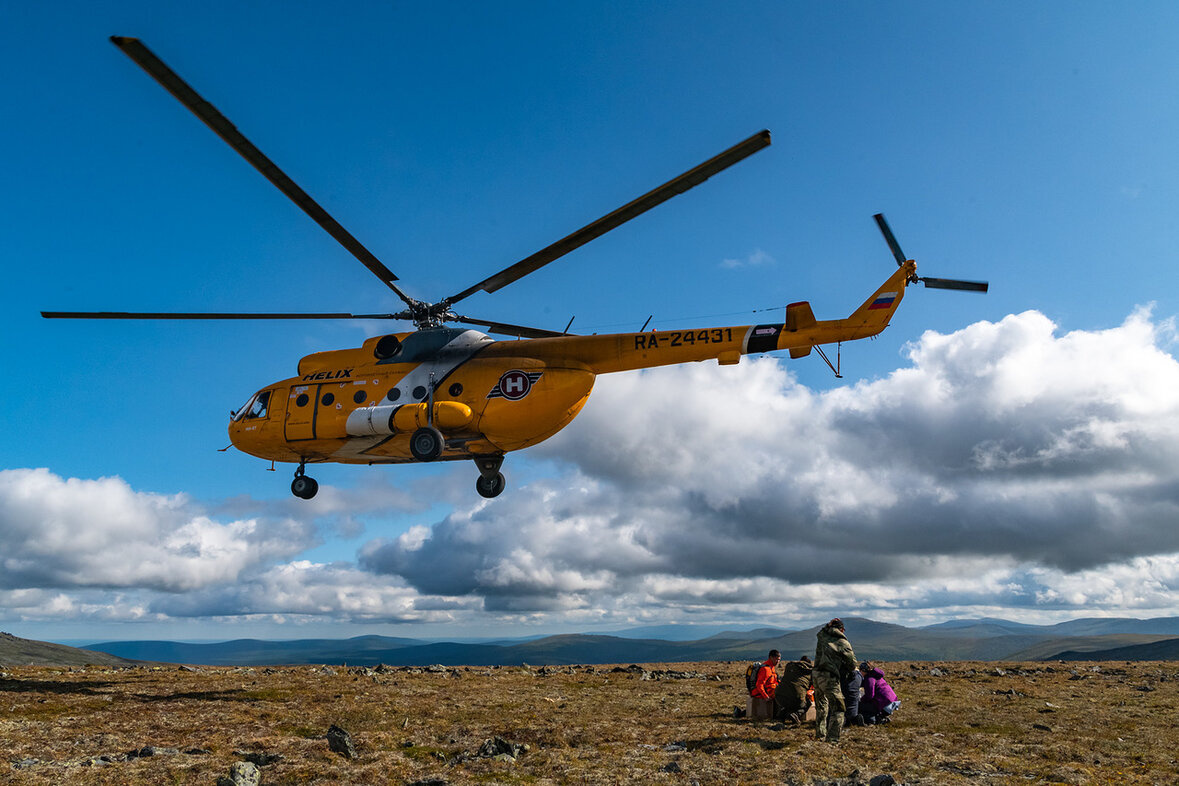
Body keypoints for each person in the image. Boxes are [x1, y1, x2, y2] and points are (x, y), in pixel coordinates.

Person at [812, 618, 857, 743]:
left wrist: (828, 625)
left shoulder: (822, 637)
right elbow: (852, 664)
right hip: (829, 677)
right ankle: (832, 740)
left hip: (816, 675)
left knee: (821, 706)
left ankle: (820, 735)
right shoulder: (842, 642)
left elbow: (820, 632)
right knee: (838, 709)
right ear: (842, 630)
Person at [774, 654, 813, 723]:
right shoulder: (810, 671)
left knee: (789, 701)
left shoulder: (790, 666)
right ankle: (796, 714)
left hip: (779, 696)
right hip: (796, 697)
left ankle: (782, 715)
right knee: (807, 703)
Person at [749, 649, 780, 720]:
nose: (778, 662)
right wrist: (765, 696)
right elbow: (759, 685)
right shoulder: (766, 669)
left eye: (779, 660)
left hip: (770, 691)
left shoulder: (772, 668)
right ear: (771, 658)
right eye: (776, 659)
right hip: (761, 693)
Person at [842, 662, 864, 727]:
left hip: (844, 703)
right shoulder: (859, 677)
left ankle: (843, 721)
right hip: (854, 707)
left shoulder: (843, 678)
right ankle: (855, 719)